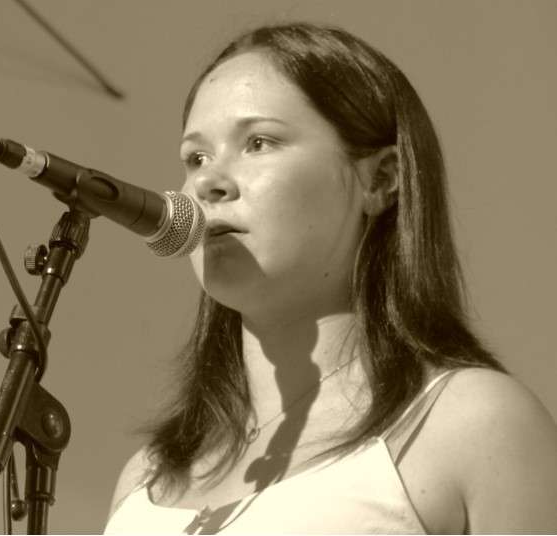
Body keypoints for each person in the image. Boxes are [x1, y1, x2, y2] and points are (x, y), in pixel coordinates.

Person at [104, 23, 557, 534]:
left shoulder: (473, 423)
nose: (207, 181)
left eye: (258, 142)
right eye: (196, 158)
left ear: (380, 179)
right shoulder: (147, 479)